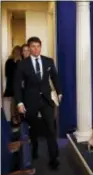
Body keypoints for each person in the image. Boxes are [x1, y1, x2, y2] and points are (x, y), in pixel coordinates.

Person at [14, 37, 62, 170]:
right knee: (33, 130)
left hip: (46, 100)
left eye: (38, 46)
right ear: (29, 48)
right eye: (33, 46)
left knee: (51, 130)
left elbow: (54, 77)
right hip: (31, 101)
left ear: (41, 47)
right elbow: (17, 85)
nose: (36, 49)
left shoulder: (48, 61)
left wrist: (59, 92)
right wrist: (19, 103)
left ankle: (54, 158)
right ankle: (34, 149)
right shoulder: (23, 64)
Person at [3, 45, 22, 124]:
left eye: (19, 52)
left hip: (21, 85)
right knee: (14, 102)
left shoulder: (21, 61)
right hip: (12, 85)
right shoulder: (9, 61)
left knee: (20, 102)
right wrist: (15, 62)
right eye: (16, 52)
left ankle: (19, 117)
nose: (17, 53)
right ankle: (13, 118)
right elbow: (7, 74)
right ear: (13, 52)